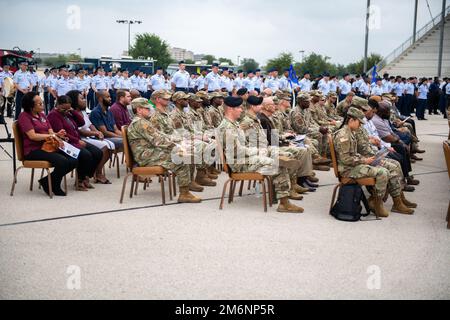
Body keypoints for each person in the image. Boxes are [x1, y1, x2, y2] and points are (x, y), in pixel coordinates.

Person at [217, 96, 304, 213]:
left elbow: (245, 146)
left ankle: (284, 192)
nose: (241, 110)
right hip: (239, 163)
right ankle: (284, 203)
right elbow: (238, 152)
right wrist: (258, 151)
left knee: (276, 155)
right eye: (238, 108)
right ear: (230, 109)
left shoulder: (234, 124)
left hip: (245, 158)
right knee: (277, 164)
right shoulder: (227, 127)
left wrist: (261, 151)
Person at [333, 107, 414, 217]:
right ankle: (377, 203)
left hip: (354, 165)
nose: (360, 125)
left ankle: (377, 201)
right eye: (359, 122)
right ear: (351, 120)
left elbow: (353, 154)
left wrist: (369, 160)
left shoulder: (350, 132)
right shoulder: (344, 135)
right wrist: (365, 160)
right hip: (348, 170)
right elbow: (345, 159)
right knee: (383, 172)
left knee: (386, 168)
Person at [127, 98, 202, 203]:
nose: (150, 110)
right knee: (183, 157)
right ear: (139, 110)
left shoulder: (143, 122)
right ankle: (184, 193)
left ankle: (187, 187)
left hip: (151, 153)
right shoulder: (140, 123)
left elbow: (161, 135)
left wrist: (179, 141)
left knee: (184, 153)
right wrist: (177, 145)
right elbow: (158, 141)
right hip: (146, 156)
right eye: (147, 108)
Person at [17, 92, 77, 196]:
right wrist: (51, 136)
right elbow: (32, 136)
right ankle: (55, 185)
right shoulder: (24, 116)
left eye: (42, 103)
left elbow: (50, 131)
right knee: (62, 161)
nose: (42, 105)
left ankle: (47, 181)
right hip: (33, 150)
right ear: (31, 106)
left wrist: (57, 135)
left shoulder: (42, 115)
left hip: (48, 146)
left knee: (74, 158)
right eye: (39, 104)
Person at [48, 95, 103, 191]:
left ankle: (86, 176)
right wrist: (77, 141)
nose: (65, 111)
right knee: (86, 155)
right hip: (66, 142)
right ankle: (79, 180)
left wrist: (72, 111)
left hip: (76, 140)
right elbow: (62, 134)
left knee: (98, 152)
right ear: (58, 105)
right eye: (63, 109)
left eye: (68, 108)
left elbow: (81, 123)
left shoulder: (68, 113)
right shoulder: (54, 115)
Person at [66, 90, 112, 184]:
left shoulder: (82, 112)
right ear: (74, 100)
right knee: (105, 147)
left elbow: (90, 125)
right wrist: (95, 134)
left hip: (89, 137)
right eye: (82, 99)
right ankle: (96, 173)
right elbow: (79, 131)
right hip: (81, 138)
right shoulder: (72, 113)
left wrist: (97, 132)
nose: (85, 100)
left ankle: (95, 172)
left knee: (110, 146)